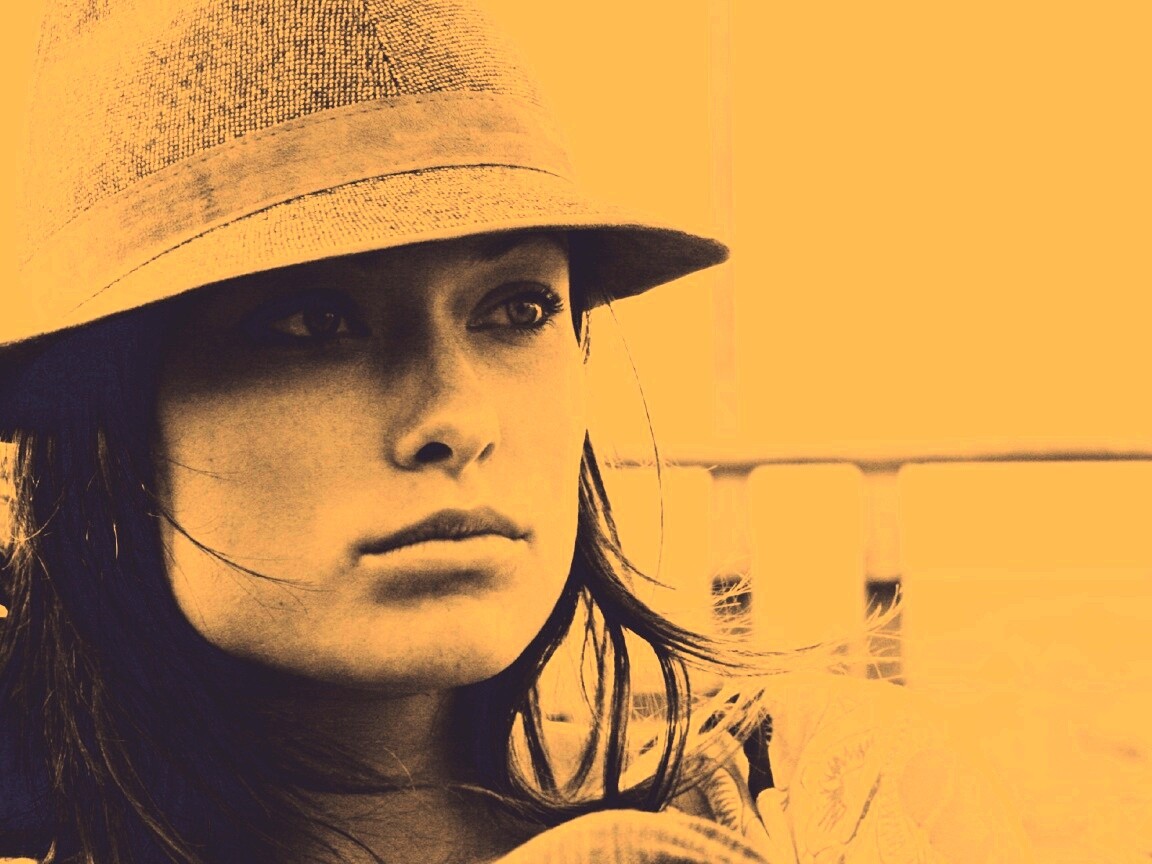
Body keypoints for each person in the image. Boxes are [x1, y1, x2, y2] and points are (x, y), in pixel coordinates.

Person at [0, 1, 1034, 862]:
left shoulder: (813, 803)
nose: (458, 418)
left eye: (517, 309)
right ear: (107, 418)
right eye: (314, 323)